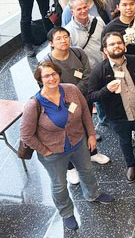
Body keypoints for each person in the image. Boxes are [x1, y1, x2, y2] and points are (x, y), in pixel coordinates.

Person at [20, 61, 114, 231]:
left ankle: (93, 194)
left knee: (87, 170)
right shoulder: (34, 104)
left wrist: (91, 134)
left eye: (54, 74)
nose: (51, 78)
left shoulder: (71, 89)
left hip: (78, 143)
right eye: (46, 76)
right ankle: (66, 213)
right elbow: (26, 135)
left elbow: (85, 111)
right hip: (53, 153)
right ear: (40, 79)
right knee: (59, 184)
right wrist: (45, 150)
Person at [89, 32, 135, 183]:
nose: (116, 46)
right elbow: (91, 96)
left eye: (119, 43)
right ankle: (131, 165)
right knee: (125, 141)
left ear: (124, 45)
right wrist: (106, 90)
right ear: (105, 50)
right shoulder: (99, 71)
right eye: (112, 44)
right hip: (118, 116)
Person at [45, 27, 110, 182]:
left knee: (87, 125)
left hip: (82, 98)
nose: (63, 41)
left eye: (66, 37)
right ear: (51, 43)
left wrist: (75, 93)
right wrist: (68, 97)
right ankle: (70, 168)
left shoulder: (78, 52)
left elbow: (88, 75)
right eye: (59, 38)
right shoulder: (48, 62)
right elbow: (47, 85)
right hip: (61, 104)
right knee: (66, 132)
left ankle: (93, 153)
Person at [64, 0, 105, 69]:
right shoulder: (68, 32)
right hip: (88, 71)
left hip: (104, 65)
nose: (83, 11)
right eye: (79, 9)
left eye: (85, 7)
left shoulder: (99, 21)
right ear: (72, 12)